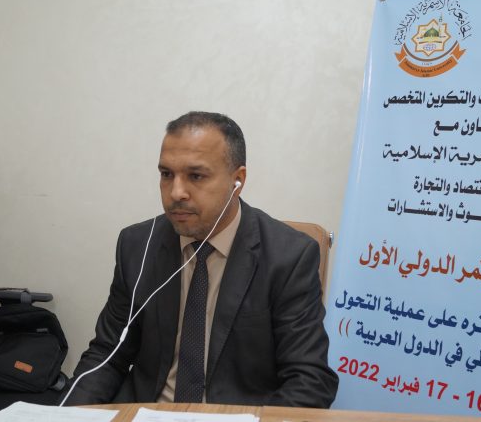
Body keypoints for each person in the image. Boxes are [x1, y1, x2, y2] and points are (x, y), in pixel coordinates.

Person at [65, 111, 338, 408]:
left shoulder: (289, 256)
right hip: (147, 411)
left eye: (196, 176)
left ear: (238, 180)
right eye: (166, 174)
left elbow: (309, 379)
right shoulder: (138, 245)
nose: (176, 192)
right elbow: (106, 356)